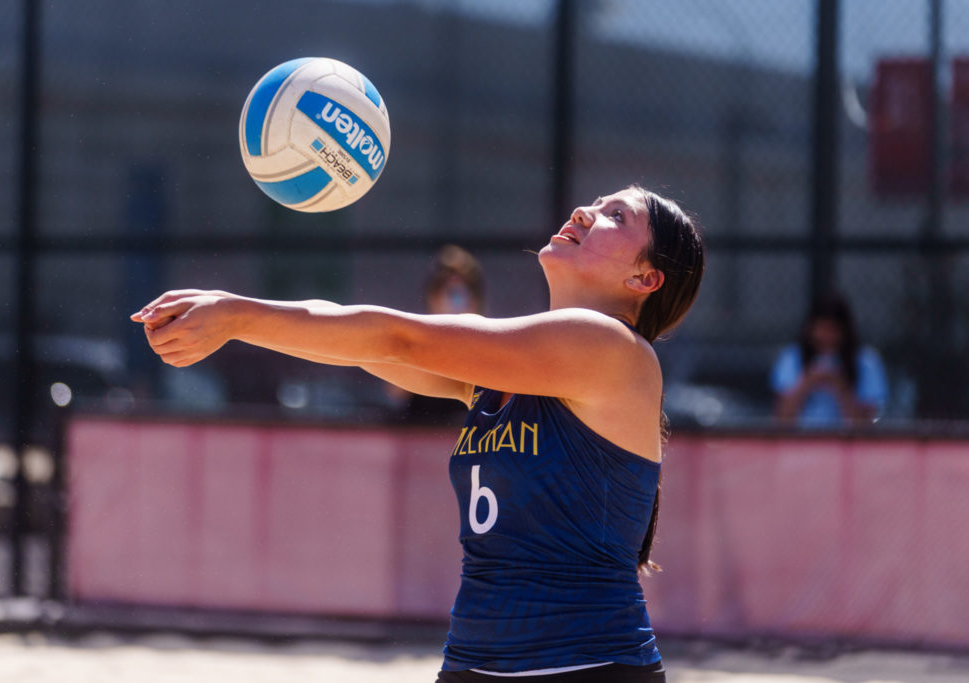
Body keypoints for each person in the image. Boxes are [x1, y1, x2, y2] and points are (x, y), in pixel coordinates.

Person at [131, 185, 705, 682]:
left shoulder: (612, 349)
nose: (584, 211)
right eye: (596, 203)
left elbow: (398, 338)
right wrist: (232, 323)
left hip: (585, 668)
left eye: (616, 217)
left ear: (645, 277)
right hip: (473, 661)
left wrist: (236, 315)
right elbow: (362, 343)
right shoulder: (505, 369)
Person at [771, 292, 888, 429]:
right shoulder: (791, 358)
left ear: (845, 331)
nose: (827, 337)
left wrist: (840, 386)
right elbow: (782, 419)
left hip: (849, 445)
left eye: (833, 330)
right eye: (821, 329)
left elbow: (866, 426)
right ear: (810, 329)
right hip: (801, 444)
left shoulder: (866, 361)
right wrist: (808, 382)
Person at [399, 244, 486, 426]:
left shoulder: (487, 343)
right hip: (420, 430)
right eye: (448, 293)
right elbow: (395, 392)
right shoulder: (417, 340)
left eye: (460, 294)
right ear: (433, 297)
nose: (454, 302)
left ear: (475, 299)